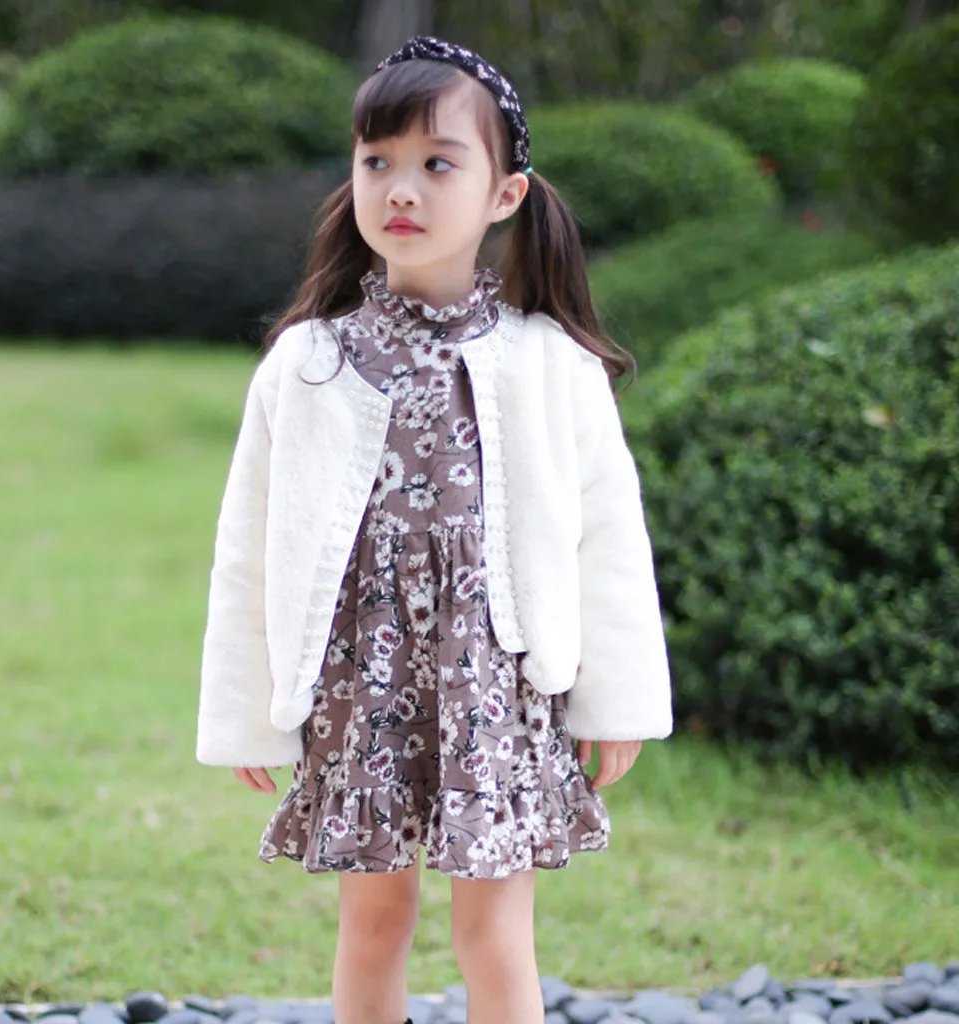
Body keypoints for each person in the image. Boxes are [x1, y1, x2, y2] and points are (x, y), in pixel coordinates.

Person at [196, 35, 672, 1024]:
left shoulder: (552, 366)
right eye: (377, 161)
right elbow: (249, 548)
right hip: (362, 685)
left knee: (494, 930)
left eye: (437, 163)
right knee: (373, 922)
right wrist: (243, 711)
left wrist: (617, 699)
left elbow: (608, 540)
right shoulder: (308, 363)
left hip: (496, 685)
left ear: (506, 193)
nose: (400, 189)